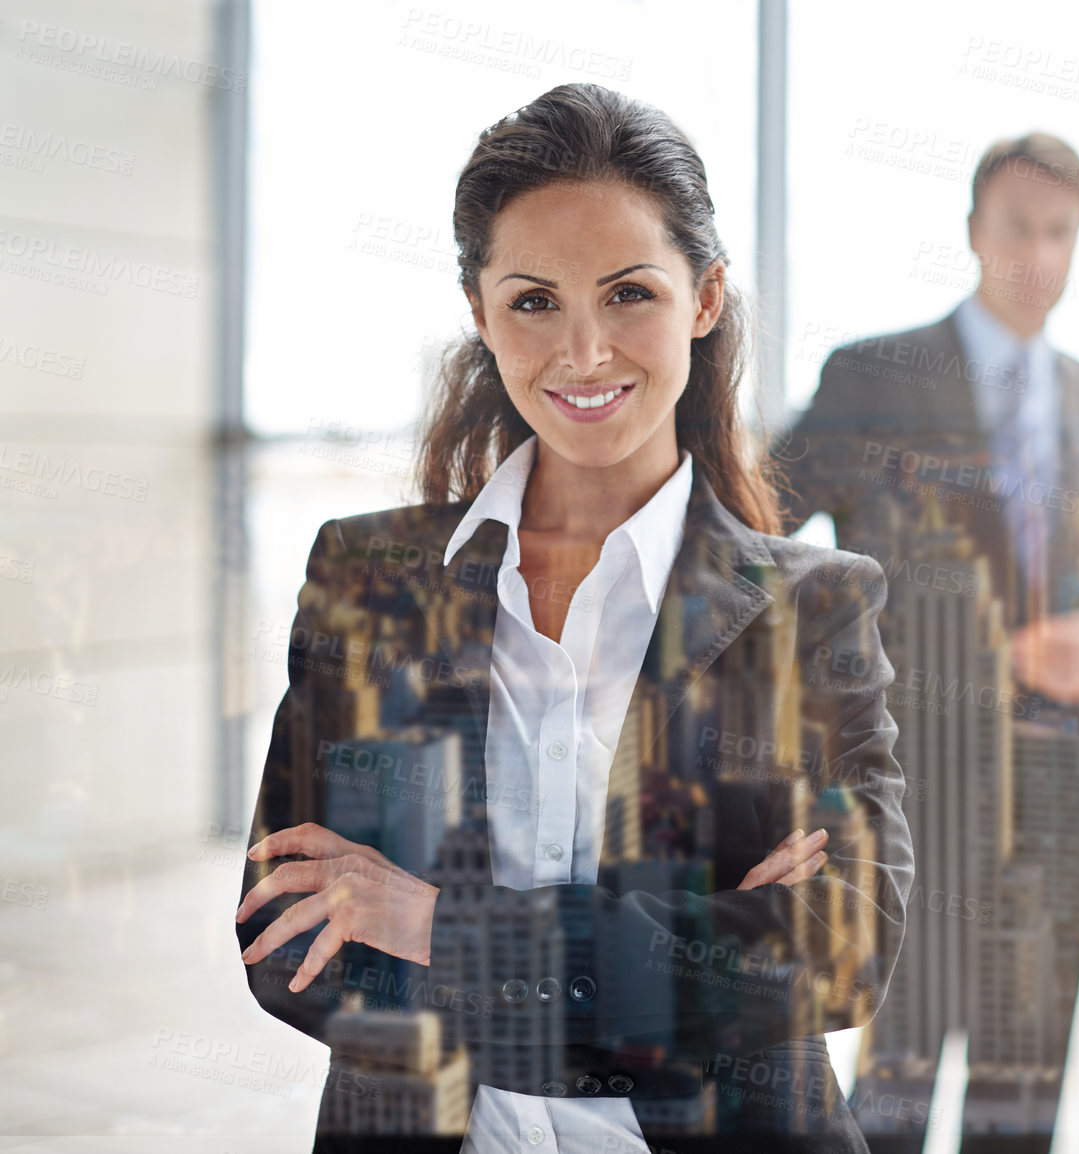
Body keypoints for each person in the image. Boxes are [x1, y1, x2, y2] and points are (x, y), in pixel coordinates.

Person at [235, 83, 914, 1154]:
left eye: (629, 292)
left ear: (705, 296)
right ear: (480, 310)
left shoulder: (812, 607)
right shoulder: (369, 577)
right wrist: (691, 972)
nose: (585, 351)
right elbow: (292, 944)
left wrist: (430, 925)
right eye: (535, 301)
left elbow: (842, 953)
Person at [776, 134, 1079, 1152]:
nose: (1038, 253)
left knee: (1025, 1083)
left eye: (1059, 231)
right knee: (896, 1077)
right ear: (972, 233)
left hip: (1062, 790)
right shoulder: (875, 376)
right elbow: (756, 535)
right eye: (1017, 227)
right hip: (917, 784)